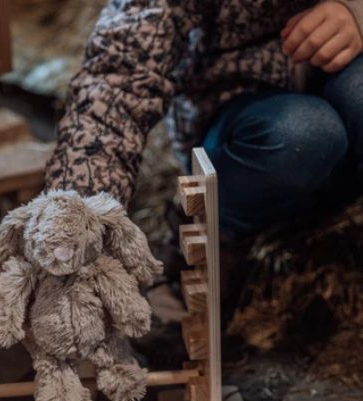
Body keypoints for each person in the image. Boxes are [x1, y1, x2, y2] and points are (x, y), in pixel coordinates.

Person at [42, 0, 363, 248]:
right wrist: (77, 221)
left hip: (344, 81)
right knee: (303, 134)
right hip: (234, 107)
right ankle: (210, 235)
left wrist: (357, 12)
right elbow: (117, 81)